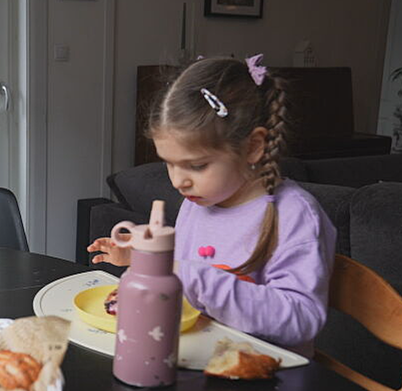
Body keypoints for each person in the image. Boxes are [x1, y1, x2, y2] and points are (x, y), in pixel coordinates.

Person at [88, 55, 336, 354]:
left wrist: (199, 281)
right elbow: (192, 262)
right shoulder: (200, 201)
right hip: (194, 355)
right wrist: (148, 256)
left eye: (196, 165)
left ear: (254, 147)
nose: (179, 181)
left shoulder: (295, 215)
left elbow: (302, 318)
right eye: (169, 164)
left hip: (265, 377)